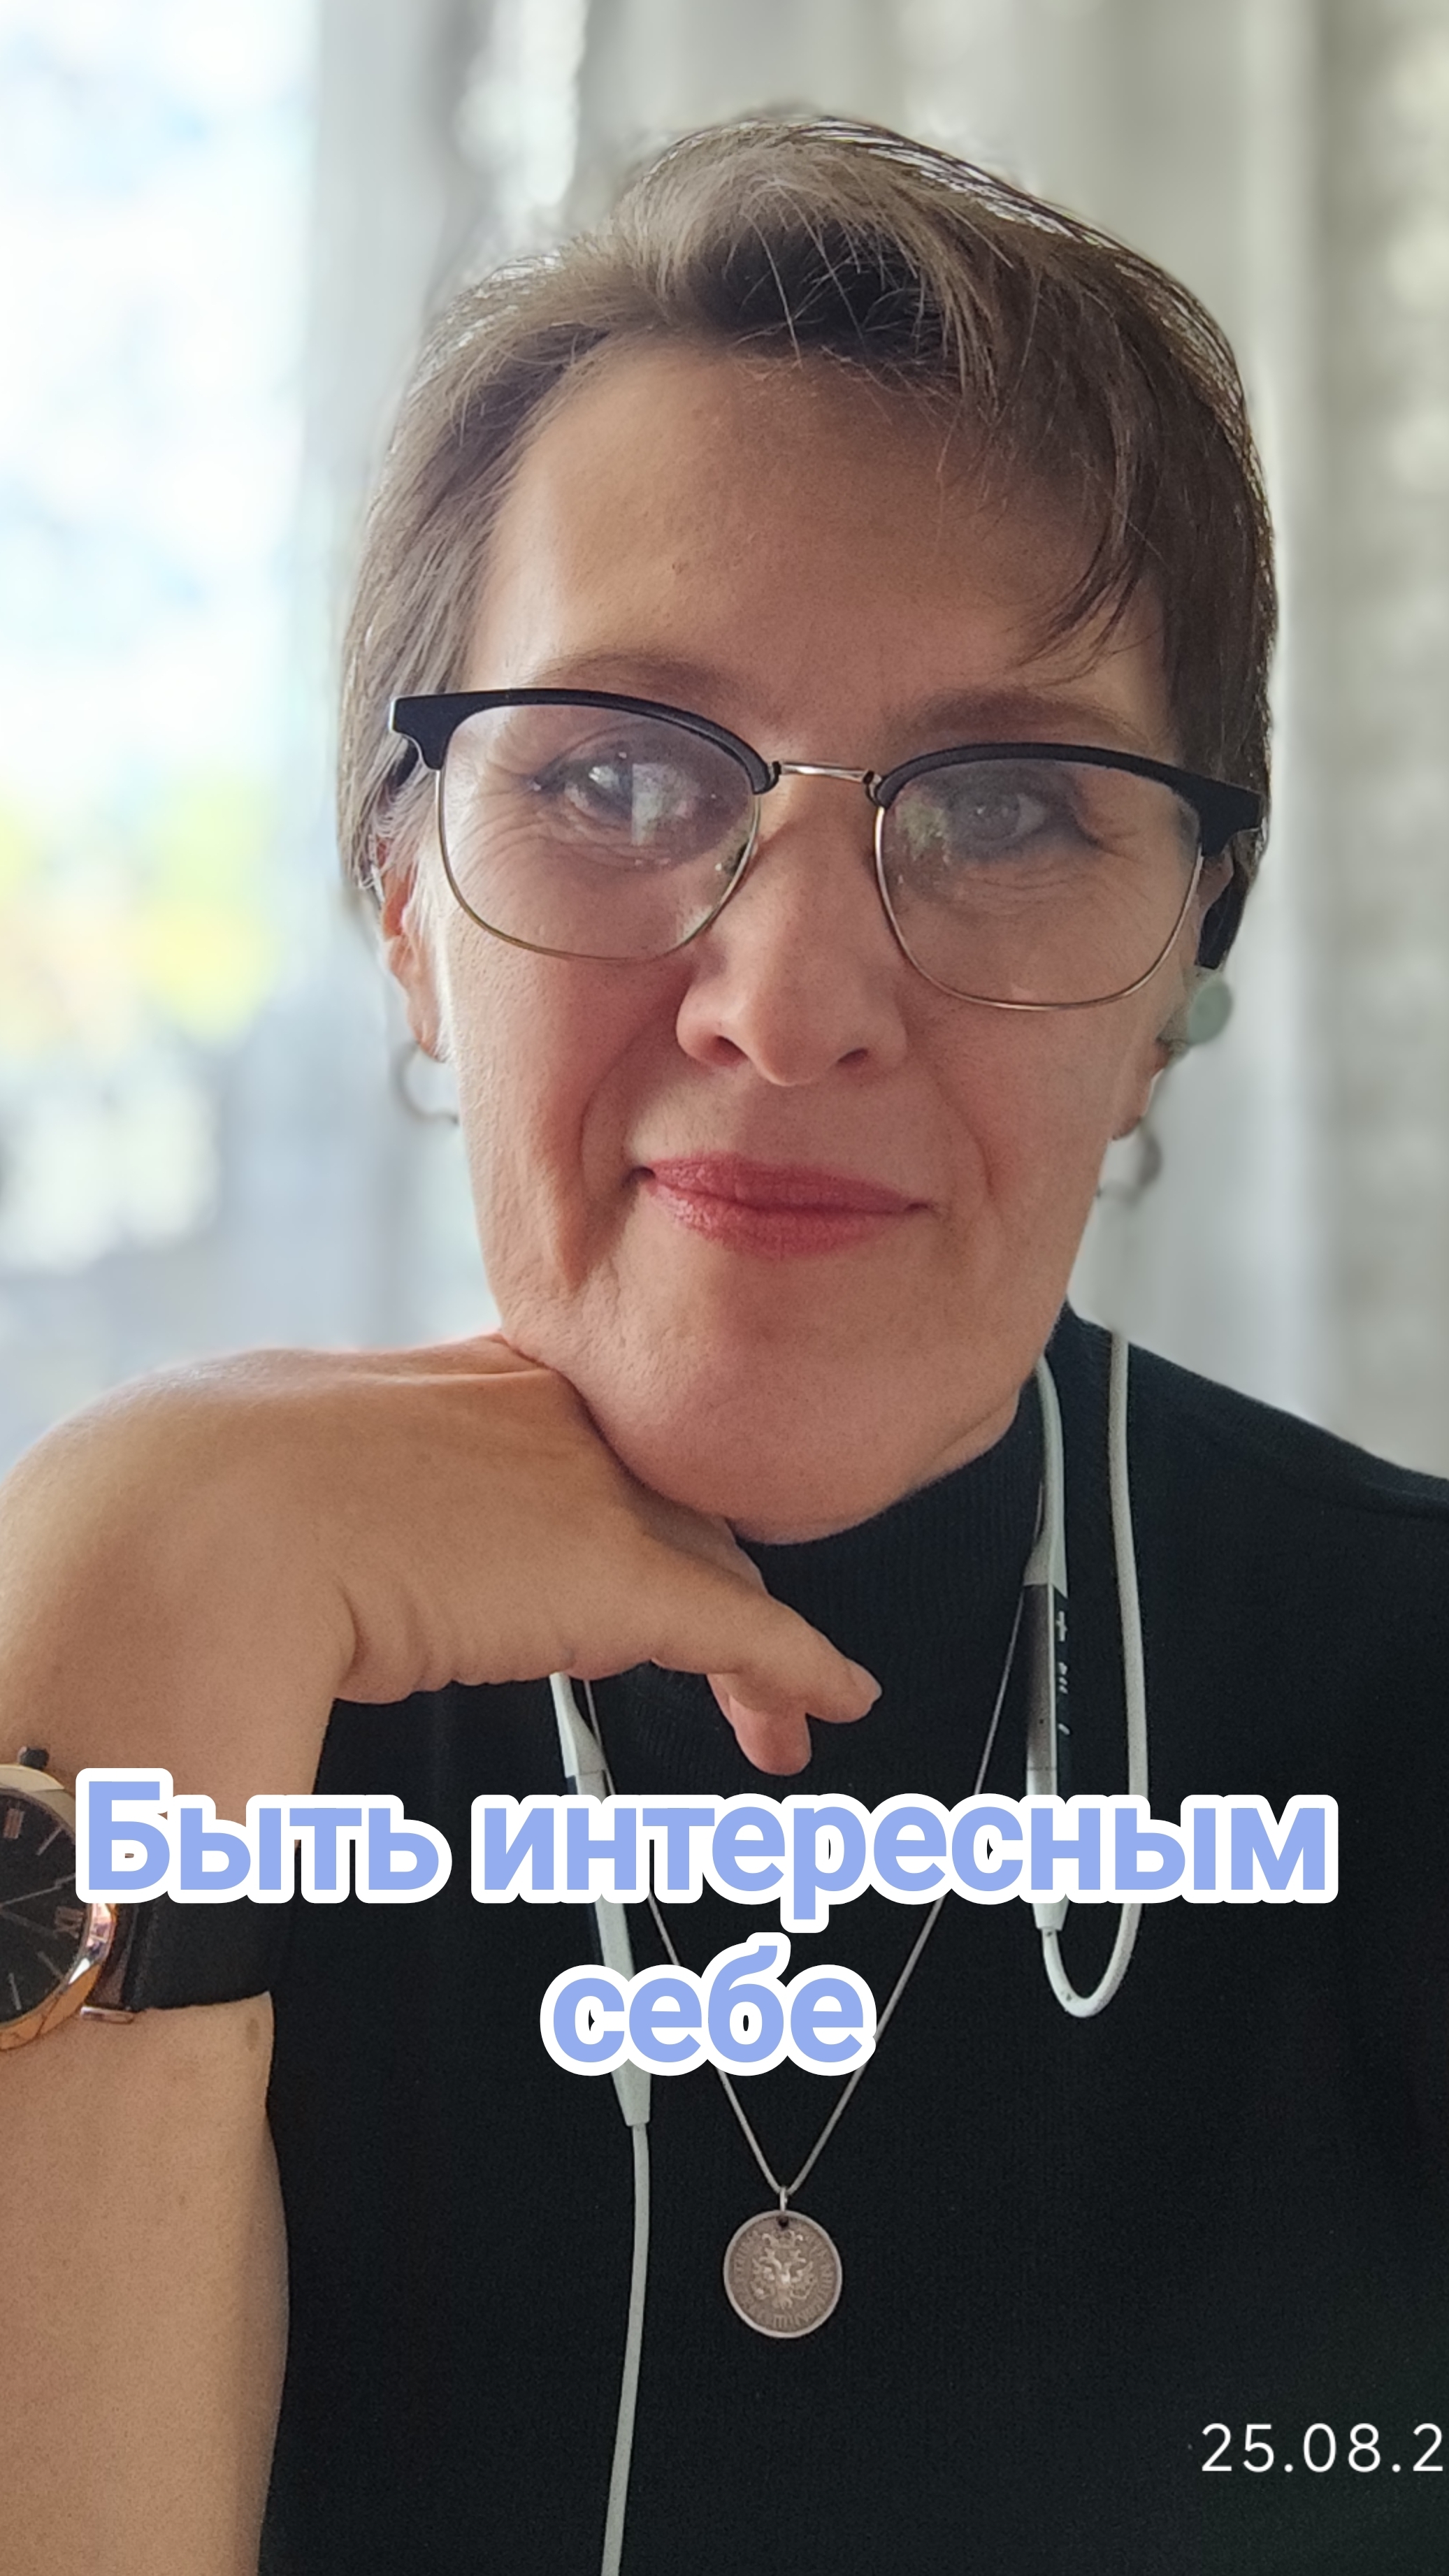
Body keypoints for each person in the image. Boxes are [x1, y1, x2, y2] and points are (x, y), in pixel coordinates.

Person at [3, 114, 1448, 2576]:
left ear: (1178, 977)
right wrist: (128, 1580)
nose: (786, 1006)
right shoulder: (153, 1665)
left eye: (1009, 806)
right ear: (402, 904)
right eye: (612, 773)